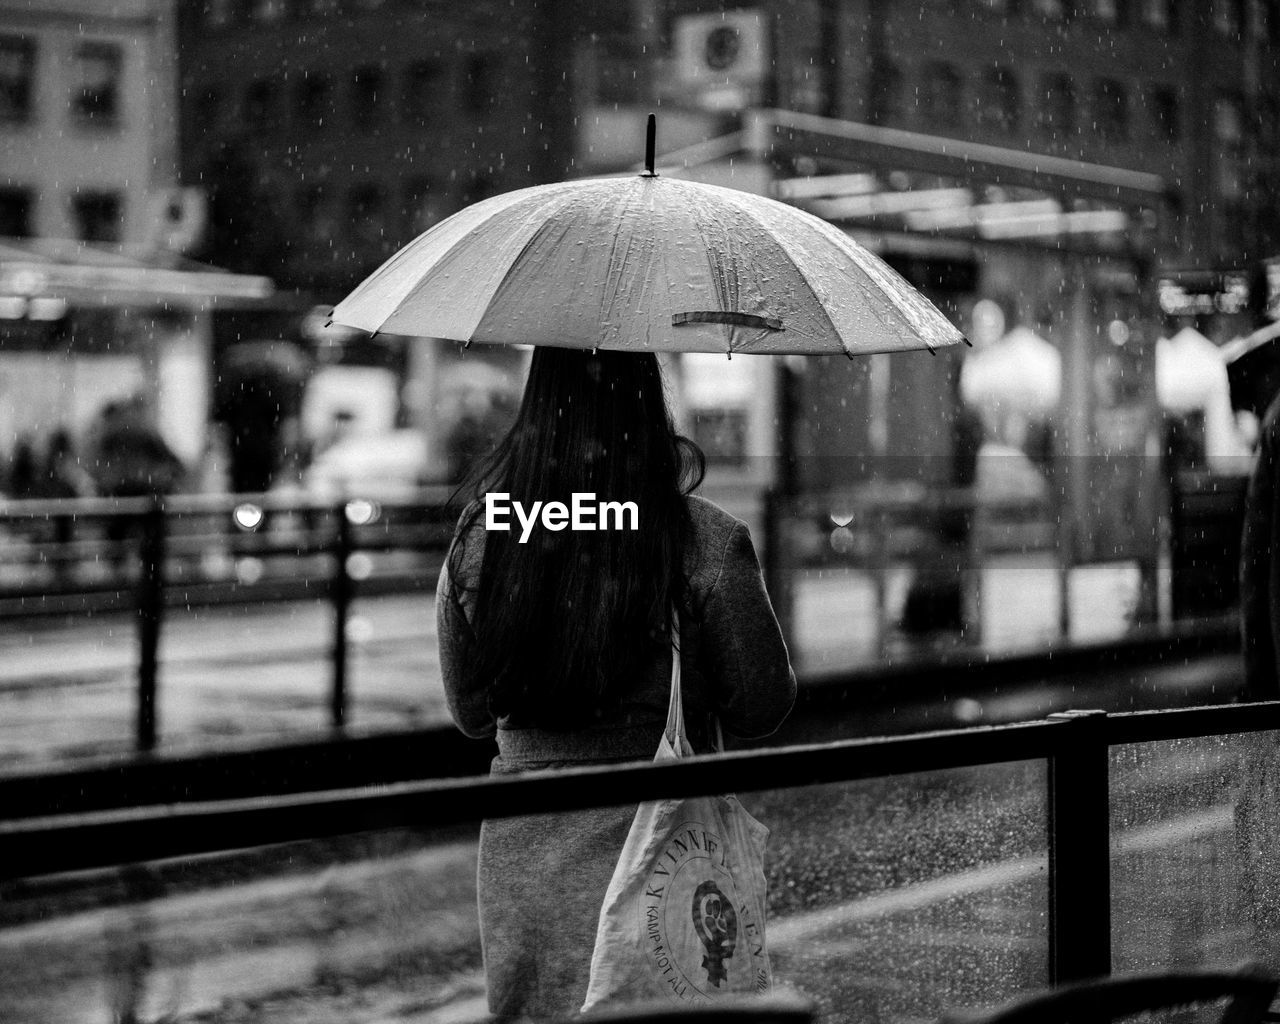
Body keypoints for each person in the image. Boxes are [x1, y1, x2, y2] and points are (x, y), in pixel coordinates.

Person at [436, 348, 797, 1021]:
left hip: (527, 859)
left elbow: (471, 712)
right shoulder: (704, 540)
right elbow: (762, 704)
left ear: (537, 407)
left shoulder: (485, 535)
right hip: (663, 839)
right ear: (646, 404)